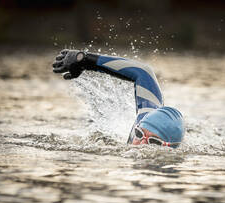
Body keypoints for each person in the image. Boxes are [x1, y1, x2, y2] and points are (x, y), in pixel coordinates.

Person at [52, 49, 184, 148]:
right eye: (138, 134)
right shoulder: (146, 117)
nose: (140, 144)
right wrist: (86, 60)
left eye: (154, 142)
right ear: (138, 125)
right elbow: (144, 72)